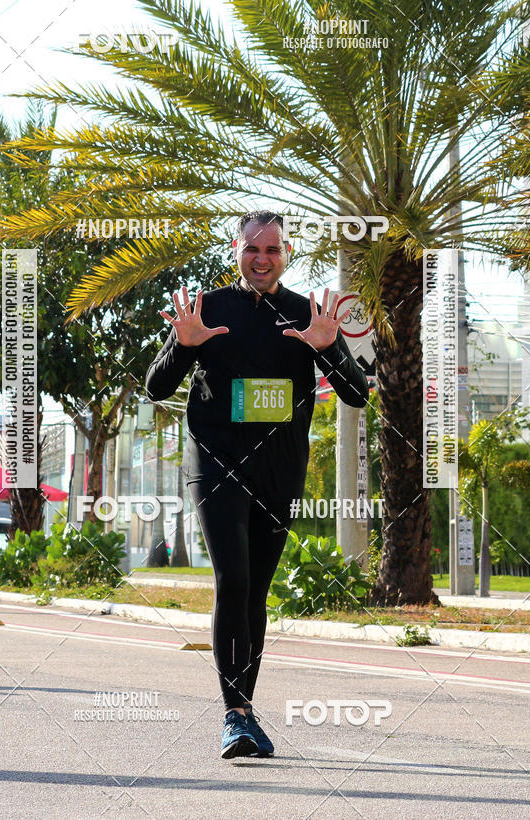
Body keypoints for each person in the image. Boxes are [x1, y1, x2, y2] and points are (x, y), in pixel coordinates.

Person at [146, 210, 368, 759]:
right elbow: (156, 386)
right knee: (234, 578)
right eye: (252, 248)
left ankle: (244, 707)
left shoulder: (304, 314)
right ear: (236, 249)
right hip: (216, 462)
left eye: (272, 249)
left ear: (287, 253)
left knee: (257, 591)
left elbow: (357, 394)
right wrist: (186, 344)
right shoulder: (209, 308)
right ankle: (236, 715)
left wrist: (328, 346)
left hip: (279, 468)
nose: (262, 258)